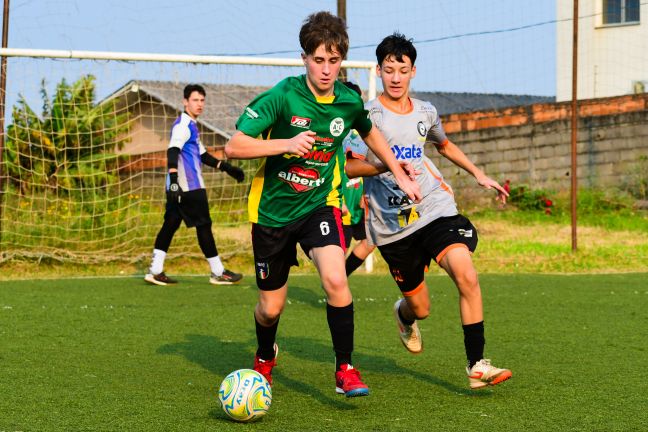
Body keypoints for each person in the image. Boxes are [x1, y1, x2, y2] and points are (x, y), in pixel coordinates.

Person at [224, 12, 420, 397]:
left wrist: (397, 172)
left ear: (341, 60)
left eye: (334, 61)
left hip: (320, 205)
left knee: (335, 279)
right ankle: (266, 354)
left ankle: (345, 367)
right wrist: (284, 144)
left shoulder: (347, 101)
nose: (326, 69)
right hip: (271, 214)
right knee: (270, 309)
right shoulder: (282, 96)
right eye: (318, 60)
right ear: (304, 59)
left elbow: (370, 132)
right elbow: (234, 146)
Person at [345, 33, 512, 389]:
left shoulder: (426, 112)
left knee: (466, 274)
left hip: (433, 208)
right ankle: (404, 316)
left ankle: (476, 364)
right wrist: (384, 167)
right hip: (393, 226)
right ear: (378, 70)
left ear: (413, 72)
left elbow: (445, 144)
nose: (395, 77)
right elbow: (348, 167)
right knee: (420, 308)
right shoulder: (367, 116)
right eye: (388, 70)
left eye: (401, 70)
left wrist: (479, 174)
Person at [145, 84, 244, 286]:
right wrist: (174, 181)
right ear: (185, 102)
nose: (199, 104)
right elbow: (172, 151)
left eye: (202, 100)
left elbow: (203, 155)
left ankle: (155, 270)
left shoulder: (191, 125)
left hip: (180, 187)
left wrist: (226, 167)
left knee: (171, 224)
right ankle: (218, 272)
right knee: (204, 226)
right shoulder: (182, 124)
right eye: (195, 100)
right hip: (188, 187)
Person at [340, 82, 376, 276]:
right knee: (338, 249)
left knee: (371, 240)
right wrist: (339, 199)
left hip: (359, 195)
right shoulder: (335, 129)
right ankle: (335, 282)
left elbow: (366, 162)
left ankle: (343, 275)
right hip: (341, 196)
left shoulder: (363, 130)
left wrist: (364, 193)